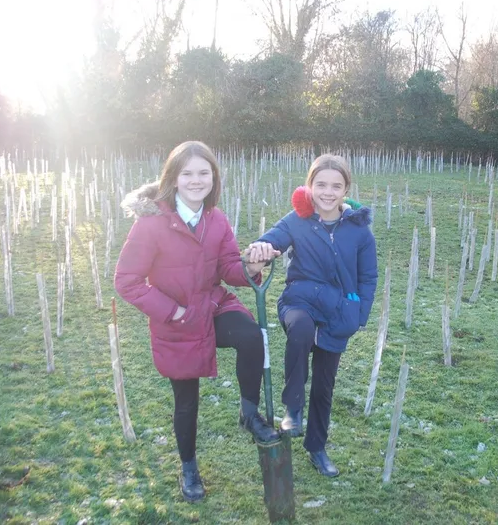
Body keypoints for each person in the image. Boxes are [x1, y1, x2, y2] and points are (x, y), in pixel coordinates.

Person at [114, 141, 278, 503]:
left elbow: (228, 268)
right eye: (187, 173)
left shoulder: (216, 219)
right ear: (173, 178)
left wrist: (251, 266)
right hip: (176, 320)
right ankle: (189, 467)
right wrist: (172, 311)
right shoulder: (151, 224)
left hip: (212, 304)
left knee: (251, 337)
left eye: (204, 173)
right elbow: (126, 281)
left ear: (213, 178)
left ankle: (249, 414)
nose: (196, 180)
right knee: (186, 400)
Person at [246, 154, 378, 477]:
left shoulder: (360, 231)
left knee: (323, 385)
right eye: (321, 184)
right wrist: (260, 249)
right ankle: (293, 406)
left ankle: (317, 447)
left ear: (346, 189)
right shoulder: (297, 220)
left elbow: (368, 277)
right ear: (309, 186)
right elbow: (272, 239)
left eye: (336, 186)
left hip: (338, 313)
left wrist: (358, 315)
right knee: (301, 329)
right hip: (299, 302)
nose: (328, 192)